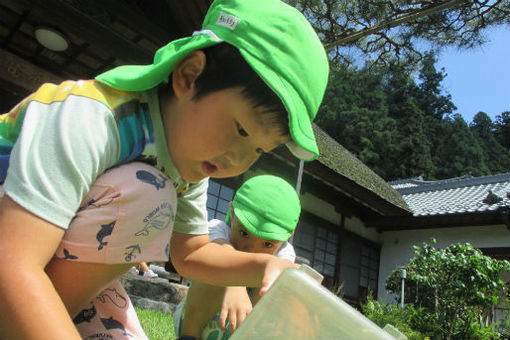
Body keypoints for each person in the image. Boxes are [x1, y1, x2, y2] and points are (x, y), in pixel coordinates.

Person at [0, 0, 329, 339]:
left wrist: (267, 265)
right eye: (242, 130)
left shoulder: (188, 164)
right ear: (190, 75)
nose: (239, 161)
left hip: (42, 271)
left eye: (259, 149)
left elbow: (192, 253)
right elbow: (12, 263)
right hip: (13, 249)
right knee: (149, 192)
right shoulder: (92, 118)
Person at [174, 175, 301, 340]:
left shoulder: (284, 252)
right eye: (243, 233)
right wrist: (235, 283)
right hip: (197, 323)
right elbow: (223, 252)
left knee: (276, 286)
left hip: (242, 329)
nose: (251, 250)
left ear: (286, 238)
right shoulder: (218, 228)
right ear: (232, 213)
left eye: (267, 244)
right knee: (213, 266)